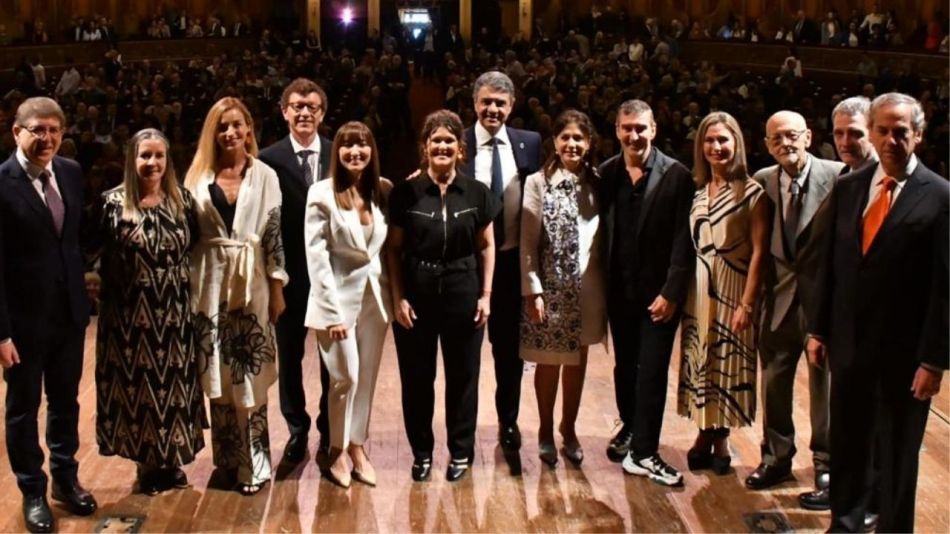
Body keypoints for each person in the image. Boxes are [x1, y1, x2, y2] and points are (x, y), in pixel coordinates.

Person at [807, 93, 948, 533]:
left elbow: (947, 289)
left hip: (905, 359)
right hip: (849, 346)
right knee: (848, 445)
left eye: (900, 131)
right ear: (871, 132)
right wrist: (819, 329)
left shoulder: (942, 196)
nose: (890, 140)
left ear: (918, 136)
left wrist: (934, 360)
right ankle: (844, 524)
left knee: (897, 456)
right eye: (882, 130)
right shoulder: (850, 186)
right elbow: (832, 265)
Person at [0, 97, 97, 533]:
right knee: (23, 408)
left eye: (55, 130)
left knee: (65, 402)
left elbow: (76, 239)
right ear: (16, 132)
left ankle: (64, 479)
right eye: (38, 130)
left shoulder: (72, 172)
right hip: (21, 325)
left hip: (70, 316)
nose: (47, 138)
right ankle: (32, 490)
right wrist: (1, 334)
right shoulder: (1, 183)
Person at [387, 110, 499, 482]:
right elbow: (393, 250)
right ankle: (421, 453)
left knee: (463, 377)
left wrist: (486, 295)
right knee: (417, 379)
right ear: (424, 147)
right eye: (435, 140)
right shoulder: (406, 193)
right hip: (417, 294)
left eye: (449, 140)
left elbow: (487, 245)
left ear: (460, 149)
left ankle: (461, 452)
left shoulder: (478, 193)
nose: (442, 146)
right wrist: (398, 297)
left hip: (463, 291)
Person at [93, 128, 205, 495]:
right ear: (132, 159)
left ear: (168, 160)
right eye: (145, 156)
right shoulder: (111, 203)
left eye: (158, 156)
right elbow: (93, 253)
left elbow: (196, 249)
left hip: (174, 313)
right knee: (138, 391)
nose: (152, 163)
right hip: (128, 317)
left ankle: (171, 460)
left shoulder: (183, 201)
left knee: (174, 388)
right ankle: (147, 463)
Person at [185, 97, 287, 496]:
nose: (229, 133)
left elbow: (274, 232)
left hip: (253, 282)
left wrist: (278, 288)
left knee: (249, 376)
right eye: (221, 126)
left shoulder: (265, 175)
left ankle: (255, 464)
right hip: (208, 282)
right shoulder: (196, 177)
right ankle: (226, 460)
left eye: (236, 125)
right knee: (218, 372)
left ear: (249, 128)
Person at [747, 112, 843, 506]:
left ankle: (828, 463)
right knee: (774, 382)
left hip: (825, 302)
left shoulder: (839, 176)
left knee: (826, 389)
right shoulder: (762, 181)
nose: (785, 143)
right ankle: (777, 458)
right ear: (767, 145)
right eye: (776, 139)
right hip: (779, 298)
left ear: (808, 136)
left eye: (791, 135)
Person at [598, 100, 695, 486]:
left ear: (654, 129)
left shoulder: (677, 175)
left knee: (652, 371)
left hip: (659, 296)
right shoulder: (606, 173)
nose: (633, 135)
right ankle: (632, 428)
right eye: (627, 128)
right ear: (617, 131)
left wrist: (672, 291)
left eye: (640, 128)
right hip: (619, 291)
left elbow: (683, 240)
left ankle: (645, 452)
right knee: (625, 366)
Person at [677, 112, 768, 478]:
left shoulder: (753, 192)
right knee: (702, 364)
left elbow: (760, 251)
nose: (717, 147)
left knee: (728, 365)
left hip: (734, 289)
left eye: (723, 140)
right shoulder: (698, 192)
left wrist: (747, 302)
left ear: (737, 144)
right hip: (699, 291)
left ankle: (720, 439)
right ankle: (704, 432)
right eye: (710, 141)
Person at [304, 122, 392, 488]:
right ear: (336, 152)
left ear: (372, 150)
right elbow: (317, 257)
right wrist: (331, 312)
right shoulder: (321, 193)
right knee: (345, 378)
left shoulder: (383, 189)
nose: (355, 152)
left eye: (362, 145)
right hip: (335, 303)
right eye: (347, 146)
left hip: (375, 299)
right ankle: (336, 449)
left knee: (366, 378)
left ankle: (358, 447)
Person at [459, 71, 542, 453]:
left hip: (509, 265)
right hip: (465, 266)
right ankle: (464, 431)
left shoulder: (529, 143)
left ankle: (508, 422)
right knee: (466, 354)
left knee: (509, 354)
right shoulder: (455, 142)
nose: (492, 109)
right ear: (475, 103)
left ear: (511, 106)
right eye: (486, 101)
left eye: (500, 103)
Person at [520, 110, 605, 467]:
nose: (572, 144)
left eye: (579, 138)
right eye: (565, 137)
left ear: (589, 144)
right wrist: (532, 289)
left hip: (589, 289)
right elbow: (528, 242)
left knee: (578, 362)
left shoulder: (598, 181)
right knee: (549, 362)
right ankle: (543, 430)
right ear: (554, 141)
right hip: (550, 289)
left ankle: (568, 429)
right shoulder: (537, 182)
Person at [258, 79, 333, 466]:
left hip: (331, 278)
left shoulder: (340, 153)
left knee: (330, 359)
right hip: (288, 277)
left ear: (322, 113)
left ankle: (329, 429)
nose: (305, 113)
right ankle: (297, 429)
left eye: (312, 107)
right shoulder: (267, 158)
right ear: (284, 110)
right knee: (289, 357)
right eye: (297, 106)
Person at [831, 96, 878, 174]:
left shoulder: (890, 176)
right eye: (839, 134)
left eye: (855, 134)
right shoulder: (838, 177)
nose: (845, 143)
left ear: (874, 133)